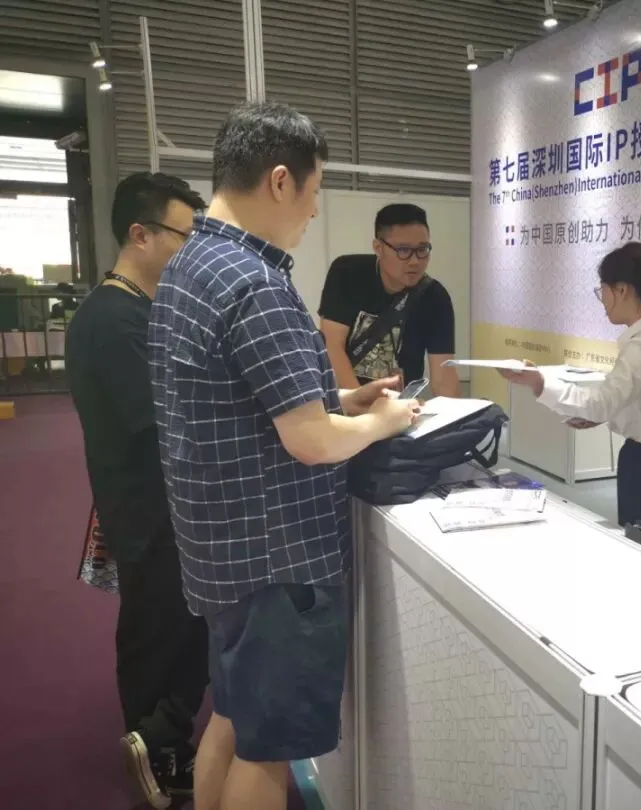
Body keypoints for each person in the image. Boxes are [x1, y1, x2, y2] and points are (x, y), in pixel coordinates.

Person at [148, 101, 420, 810]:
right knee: (268, 752)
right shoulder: (256, 283)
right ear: (278, 181)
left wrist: (339, 398)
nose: (313, 208)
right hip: (278, 562)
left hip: (221, 550)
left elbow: (236, 395)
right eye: (313, 189)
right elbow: (311, 442)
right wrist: (382, 421)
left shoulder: (188, 267)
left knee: (233, 720)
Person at [66, 172, 209, 808]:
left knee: (180, 627)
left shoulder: (141, 309)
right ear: (140, 234)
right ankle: (155, 746)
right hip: (146, 504)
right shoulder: (110, 318)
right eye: (184, 236)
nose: (190, 251)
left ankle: (163, 742)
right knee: (160, 629)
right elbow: (154, 422)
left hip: (163, 500)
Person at [499, 242, 641, 531]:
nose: (601, 299)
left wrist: (539, 382)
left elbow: (601, 402)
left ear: (622, 290)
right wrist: (604, 415)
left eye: (602, 289)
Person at [317, 203, 460, 397]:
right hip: (344, 401)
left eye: (422, 249)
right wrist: (362, 403)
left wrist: (455, 413)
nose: (415, 261)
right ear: (378, 248)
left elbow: (444, 378)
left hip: (399, 406)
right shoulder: (348, 273)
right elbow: (332, 345)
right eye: (403, 250)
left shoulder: (435, 297)